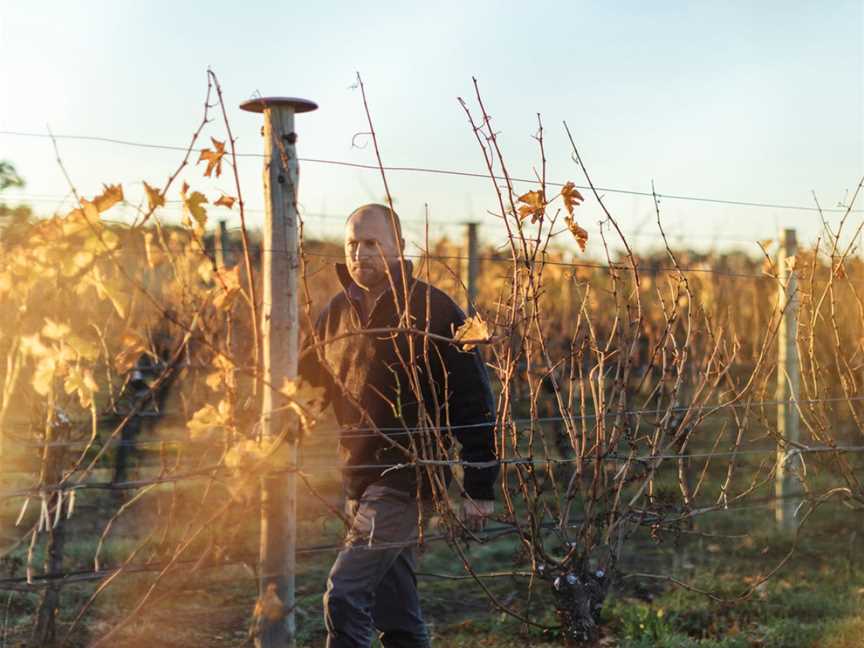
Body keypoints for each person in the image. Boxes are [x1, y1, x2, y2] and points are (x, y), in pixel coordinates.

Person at [298, 203, 499, 648]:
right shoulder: (334, 313)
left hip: (408, 477)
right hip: (358, 477)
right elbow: (307, 389)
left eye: (373, 243)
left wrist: (479, 484)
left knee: (344, 596)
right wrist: (276, 438)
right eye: (353, 244)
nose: (361, 253)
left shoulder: (433, 309)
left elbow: (472, 400)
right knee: (399, 619)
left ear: (399, 248)